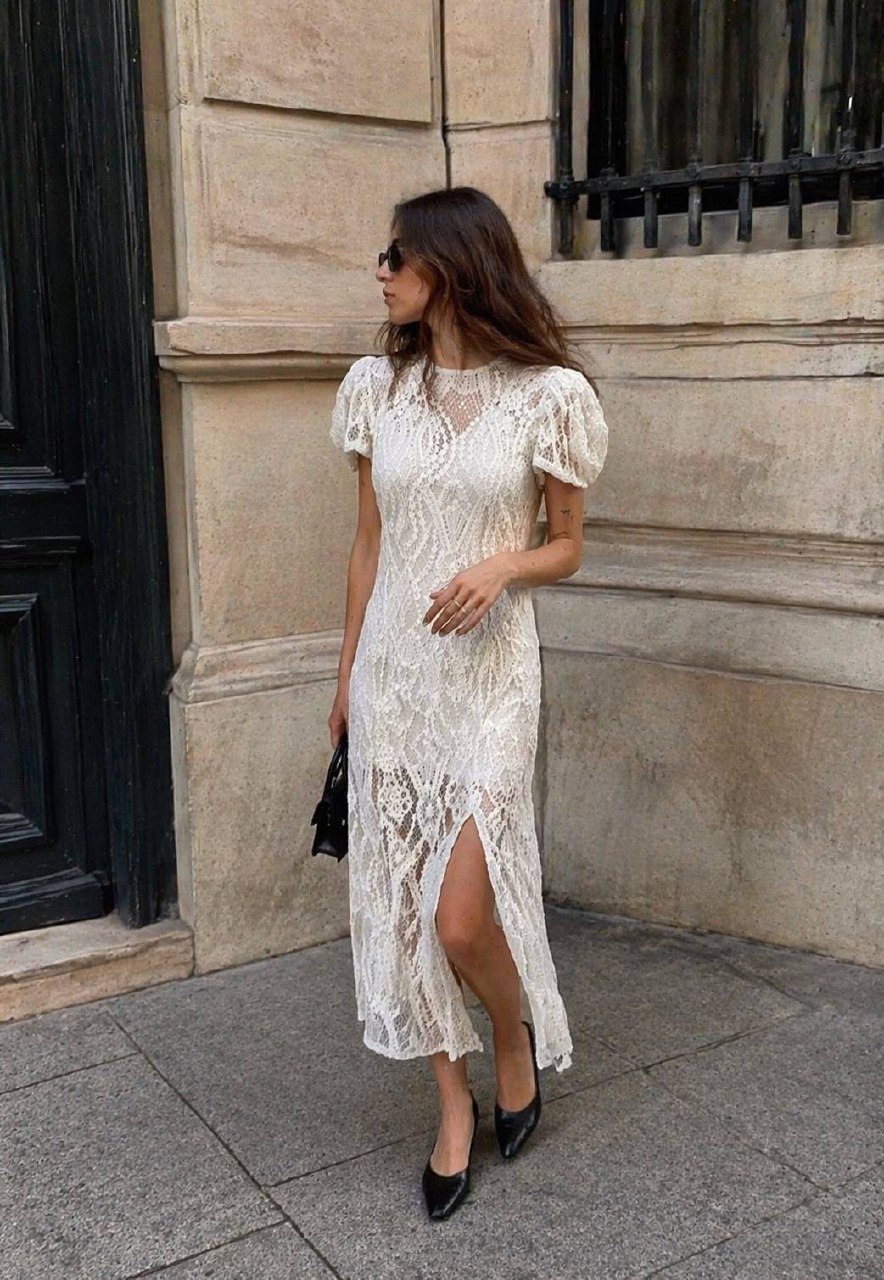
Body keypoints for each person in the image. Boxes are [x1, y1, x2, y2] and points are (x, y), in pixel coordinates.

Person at [327, 186, 608, 1220]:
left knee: (457, 919)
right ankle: (453, 1104)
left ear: (452, 264)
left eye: (397, 254)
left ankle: (512, 1032)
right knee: (406, 906)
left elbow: (568, 545)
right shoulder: (375, 388)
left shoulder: (548, 395)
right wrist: (345, 679)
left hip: (490, 681)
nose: (381, 271)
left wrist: (503, 566)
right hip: (395, 680)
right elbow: (367, 545)